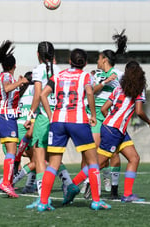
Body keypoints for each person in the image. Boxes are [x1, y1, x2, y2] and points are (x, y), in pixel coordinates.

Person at [38, 48, 111, 211]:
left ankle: (43, 202)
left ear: (69, 61)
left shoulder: (57, 76)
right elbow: (90, 93)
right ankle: (97, 201)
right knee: (93, 161)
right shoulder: (85, 76)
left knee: (53, 164)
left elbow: (43, 95)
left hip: (57, 121)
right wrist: (93, 114)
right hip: (78, 120)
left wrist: (51, 115)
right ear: (84, 63)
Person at [22, 42, 76, 208]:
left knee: (39, 157)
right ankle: (69, 184)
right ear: (54, 56)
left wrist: (30, 117)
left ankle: (42, 198)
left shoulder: (38, 70)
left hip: (45, 118)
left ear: (38, 54)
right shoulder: (61, 70)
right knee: (52, 157)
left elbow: (38, 95)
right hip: (61, 116)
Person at [98, 60, 150, 202]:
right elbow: (139, 111)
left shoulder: (119, 88)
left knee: (134, 158)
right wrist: (149, 121)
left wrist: (111, 122)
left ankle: (128, 194)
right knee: (98, 164)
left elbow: (104, 109)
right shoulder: (138, 89)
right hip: (114, 130)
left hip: (115, 129)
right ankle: (73, 185)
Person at [83, 29, 128, 199]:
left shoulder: (120, 75)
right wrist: (104, 83)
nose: (97, 61)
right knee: (94, 150)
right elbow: (91, 91)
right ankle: (93, 180)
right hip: (97, 116)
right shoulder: (98, 75)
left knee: (113, 152)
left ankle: (112, 187)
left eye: (99, 58)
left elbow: (128, 91)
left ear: (105, 60)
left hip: (112, 116)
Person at [0, 40, 28, 198]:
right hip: (5, 116)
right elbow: (6, 88)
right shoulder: (5, 76)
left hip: (9, 116)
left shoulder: (9, 77)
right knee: (12, 151)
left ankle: (7, 182)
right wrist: (19, 82)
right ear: (14, 65)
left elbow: (10, 90)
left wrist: (18, 83)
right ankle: (6, 182)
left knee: (12, 152)